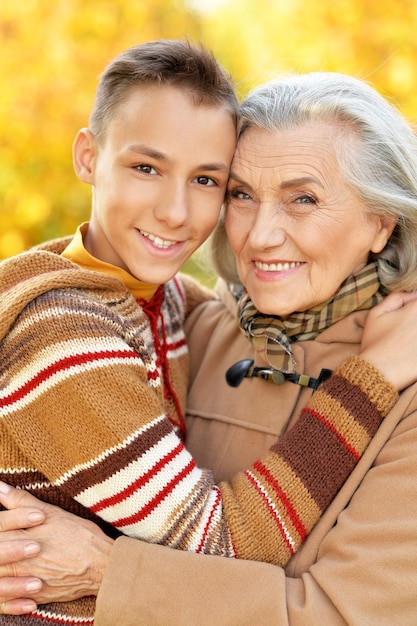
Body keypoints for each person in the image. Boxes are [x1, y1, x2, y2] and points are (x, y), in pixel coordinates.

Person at [0, 43, 410, 622]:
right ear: (88, 158)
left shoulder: (169, 306)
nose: (263, 235)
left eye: (303, 199)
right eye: (243, 195)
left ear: (381, 222)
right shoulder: (89, 329)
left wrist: (103, 569)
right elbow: (220, 541)